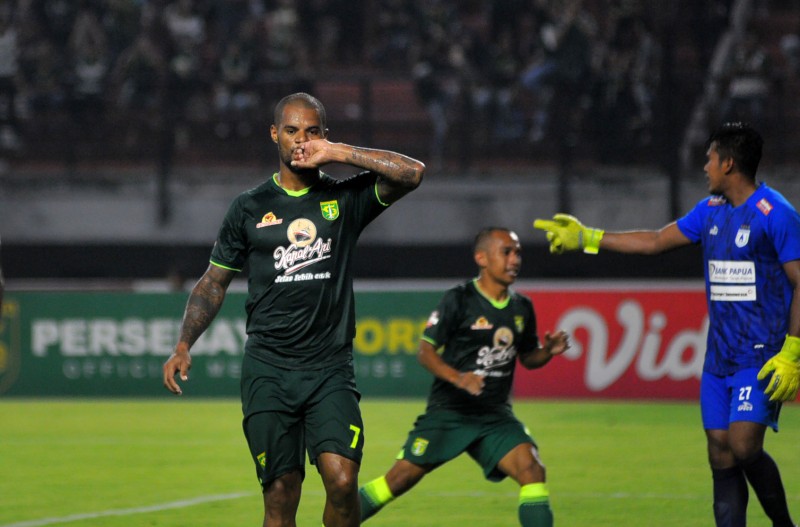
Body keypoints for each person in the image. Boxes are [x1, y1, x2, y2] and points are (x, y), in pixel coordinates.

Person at [162, 92, 425, 527]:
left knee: (342, 482)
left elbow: (412, 173)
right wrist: (184, 344)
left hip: (329, 369)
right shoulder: (248, 208)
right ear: (274, 135)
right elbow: (213, 282)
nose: (301, 140)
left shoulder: (345, 200)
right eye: (291, 130)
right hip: (268, 370)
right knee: (281, 495)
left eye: (313, 131)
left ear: (324, 136)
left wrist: (339, 154)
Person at [533, 122, 799, 527]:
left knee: (745, 445)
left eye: (710, 158)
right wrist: (588, 237)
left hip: (761, 355)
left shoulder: (776, 214)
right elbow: (657, 241)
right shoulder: (709, 211)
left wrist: (793, 352)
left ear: (729, 163)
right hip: (719, 357)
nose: (704, 166)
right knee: (720, 450)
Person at [358, 227, 569, 527]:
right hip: (450, 412)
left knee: (532, 470)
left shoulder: (522, 307)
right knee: (398, 479)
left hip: (494, 416)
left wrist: (547, 351)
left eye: (518, 252)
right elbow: (425, 352)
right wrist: (459, 379)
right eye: (506, 251)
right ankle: (336, 521)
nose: (515, 259)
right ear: (481, 257)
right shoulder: (459, 299)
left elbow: (527, 357)